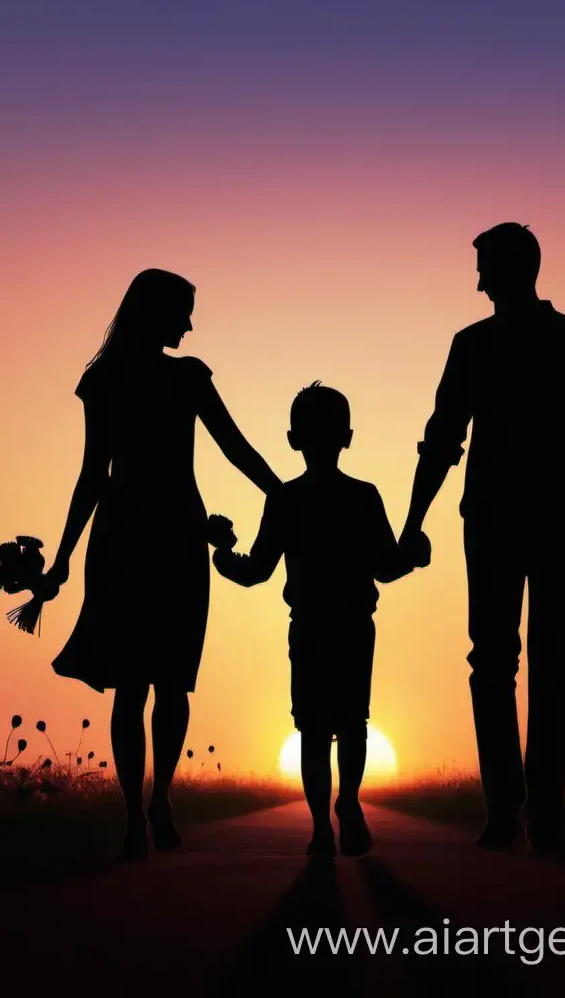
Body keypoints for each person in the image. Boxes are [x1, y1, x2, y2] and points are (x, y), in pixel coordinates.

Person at [398, 223, 565, 853]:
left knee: (508, 665)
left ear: (510, 269)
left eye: (483, 267)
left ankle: (520, 810)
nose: (477, 280)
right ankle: (524, 809)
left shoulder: (494, 345)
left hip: (519, 521)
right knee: (537, 667)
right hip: (534, 520)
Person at [44, 268, 281, 858]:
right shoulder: (123, 379)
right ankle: (140, 809)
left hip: (153, 535)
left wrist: (281, 492)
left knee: (160, 682)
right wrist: (64, 554)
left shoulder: (169, 377)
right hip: (152, 536)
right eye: (185, 311)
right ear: (157, 312)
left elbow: (231, 446)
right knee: (150, 682)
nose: (191, 324)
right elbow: (92, 472)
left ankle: (152, 803)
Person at [211, 382, 430, 857]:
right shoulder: (364, 497)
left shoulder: (286, 501)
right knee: (353, 722)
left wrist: (223, 556)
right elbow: (385, 567)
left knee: (312, 729)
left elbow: (257, 572)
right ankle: (347, 804)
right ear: (347, 437)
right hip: (354, 626)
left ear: (293, 439)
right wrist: (413, 556)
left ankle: (320, 829)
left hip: (309, 627)